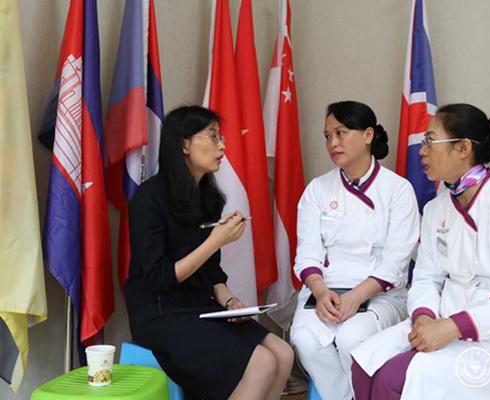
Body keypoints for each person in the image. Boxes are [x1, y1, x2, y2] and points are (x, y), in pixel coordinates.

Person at [350, 103, 490, 399]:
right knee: (364, 364)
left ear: (463, 148)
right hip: (442, 317)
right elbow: (426, 277)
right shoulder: (436, 208)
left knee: (392, 379)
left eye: (430, 141)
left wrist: (454, 327)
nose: (422, 151)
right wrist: (424, 316)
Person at [124, 106, 293, 400]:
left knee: (283, 352)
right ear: (184, 145)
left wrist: (230, 302)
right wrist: (214, 241)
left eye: (221, 137)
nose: (222, 146)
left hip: (202, 308)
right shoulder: (149, 198)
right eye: (213, 137)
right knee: (261, 362)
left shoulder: (209, 198)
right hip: (161, 313)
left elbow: (212, 273)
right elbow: (157, 278)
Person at [290, 101, 420, 400]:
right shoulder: (317, 189)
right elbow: (307, 253)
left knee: (353, 338)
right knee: (304, 339)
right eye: (327, 136)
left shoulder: (398, 190)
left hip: (380, 293)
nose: (332, 143)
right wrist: (320, 292)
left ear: (368, 135)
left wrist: (356, 297)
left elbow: (396, 260)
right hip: (325, 292)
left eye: (341, 133)